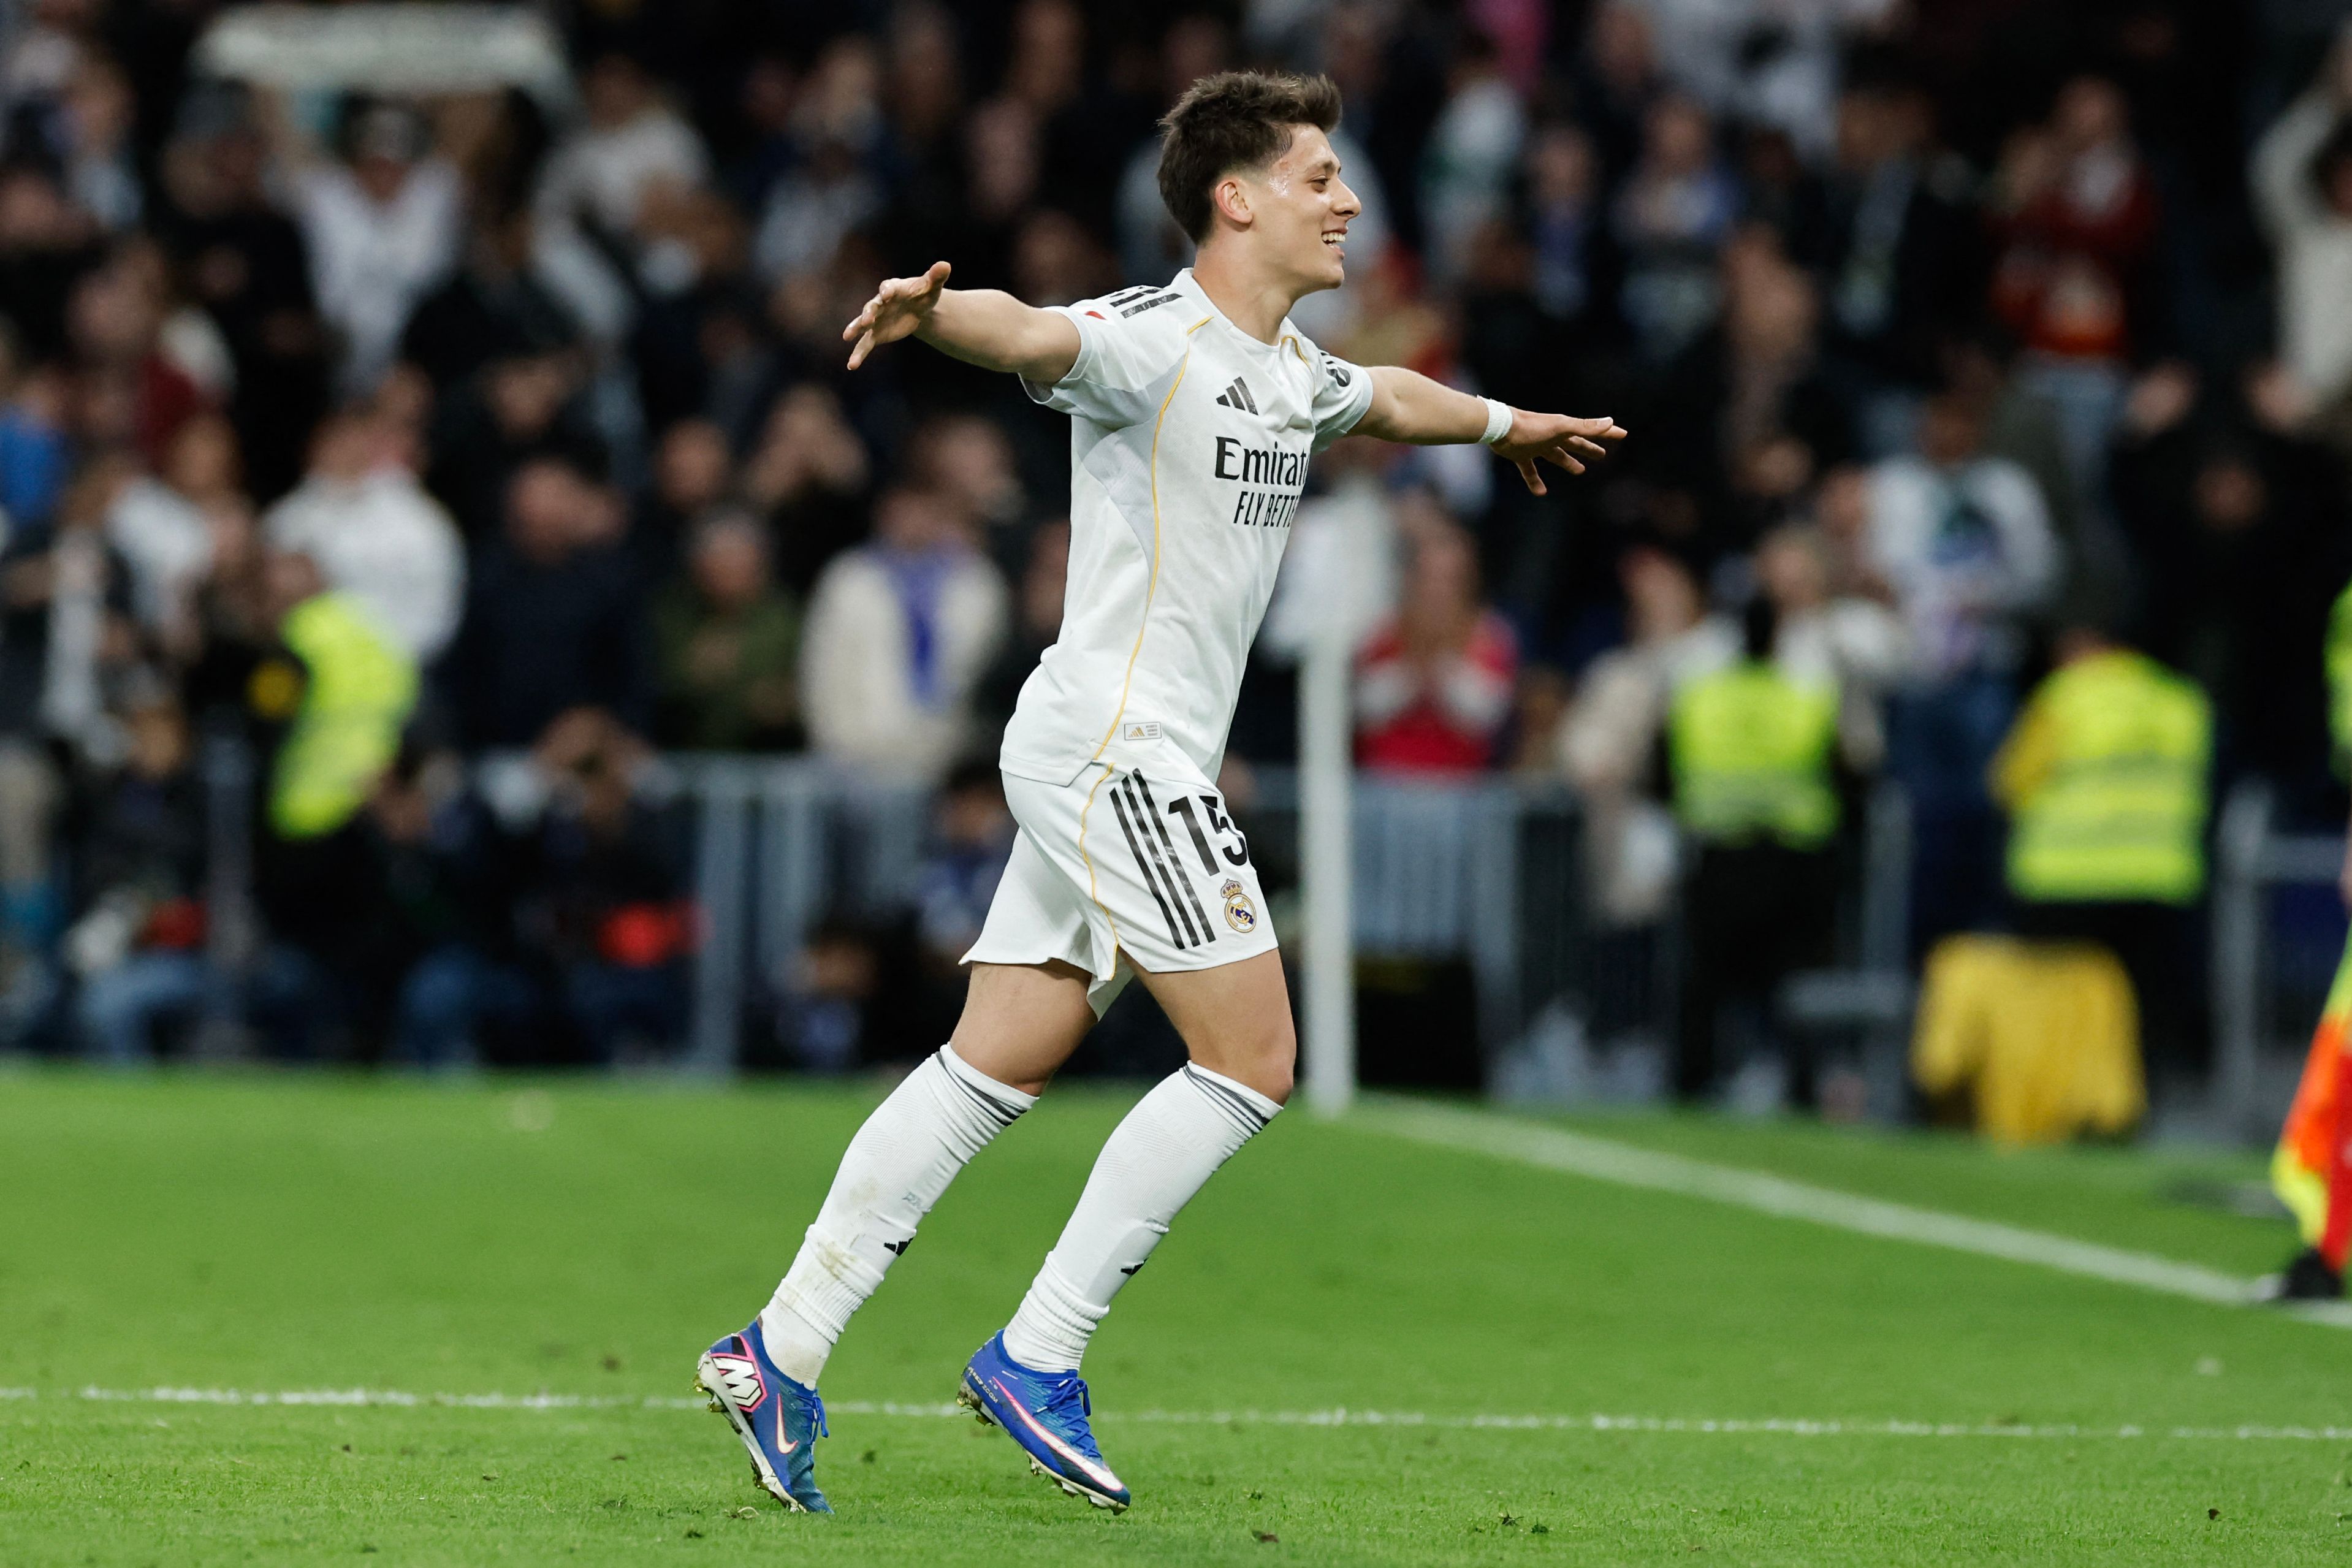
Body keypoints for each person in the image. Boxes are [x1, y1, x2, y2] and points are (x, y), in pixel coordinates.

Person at [690, 69, 1624, 1517]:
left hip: (1114, 752)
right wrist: (939, 314)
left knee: (996, 1059)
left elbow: (1385, 401)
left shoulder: (1291, 368)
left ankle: (781, 1343)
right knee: (1253, 1058)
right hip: (1113, 750)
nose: (1348, 199)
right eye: (1319, 175)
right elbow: (1037, 334)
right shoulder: (1152, 343)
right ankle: (1037, 1351)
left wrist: (1508, 426)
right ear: (1235, 197)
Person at [1989, 626, 2211, 1075]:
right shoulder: (2180, 702)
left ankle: (2063, 1103)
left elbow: (2008, 783)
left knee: (2058, 1007)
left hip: (2062, 880)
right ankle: (2135, 1108)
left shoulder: (2064, 696)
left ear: (2081, 644)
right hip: (2157, 879)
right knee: (2142, 1010)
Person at [1666, 597, 1843, 1102]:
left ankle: (1691, 1080)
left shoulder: (1704, 695)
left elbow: (1667, 765)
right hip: (1791, 856)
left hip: (1719, 853)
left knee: (1704, 980)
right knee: (1793, 982)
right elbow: (1843, 769)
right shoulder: (1804, 697)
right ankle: (1801, 1085)